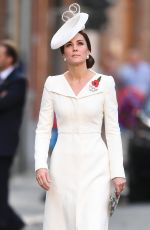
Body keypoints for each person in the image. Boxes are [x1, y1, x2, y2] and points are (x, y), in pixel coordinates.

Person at [34, 3, 126, 230]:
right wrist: (40, 165)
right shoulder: (52, 84)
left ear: (88, 50)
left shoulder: (105, 83)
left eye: (80, 43)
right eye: (69, 45)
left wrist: (117, 172)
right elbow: (43, 128)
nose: (75, 48)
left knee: (92, 224)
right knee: (61, 224)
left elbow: (112, 130)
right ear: (63, 54)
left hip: (96, 165)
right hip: (62, 164)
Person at [0, 41, 27, 230]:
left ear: (9, 59)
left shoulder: (18, 81)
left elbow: (5, 104)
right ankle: (13, 221)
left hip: (4, 142)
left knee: (1, 185)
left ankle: (7, 222)